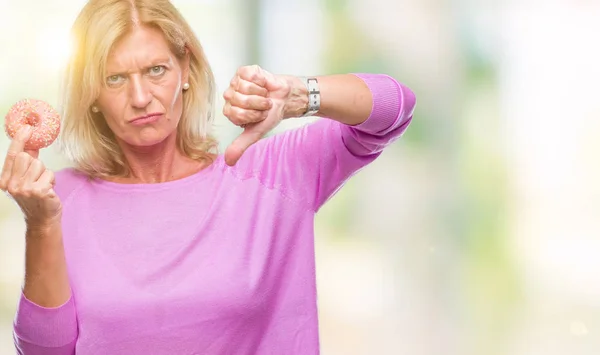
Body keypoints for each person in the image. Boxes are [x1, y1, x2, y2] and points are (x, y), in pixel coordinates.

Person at [0, 0, 416, 354]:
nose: (141, 97)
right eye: (115, 79)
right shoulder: (60, 200)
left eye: (157, 70)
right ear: (91, 95)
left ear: (187, 70)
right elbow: (44, 351)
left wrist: (296, 95)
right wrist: (41, 225)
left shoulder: (270, 175)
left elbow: (393, 107)